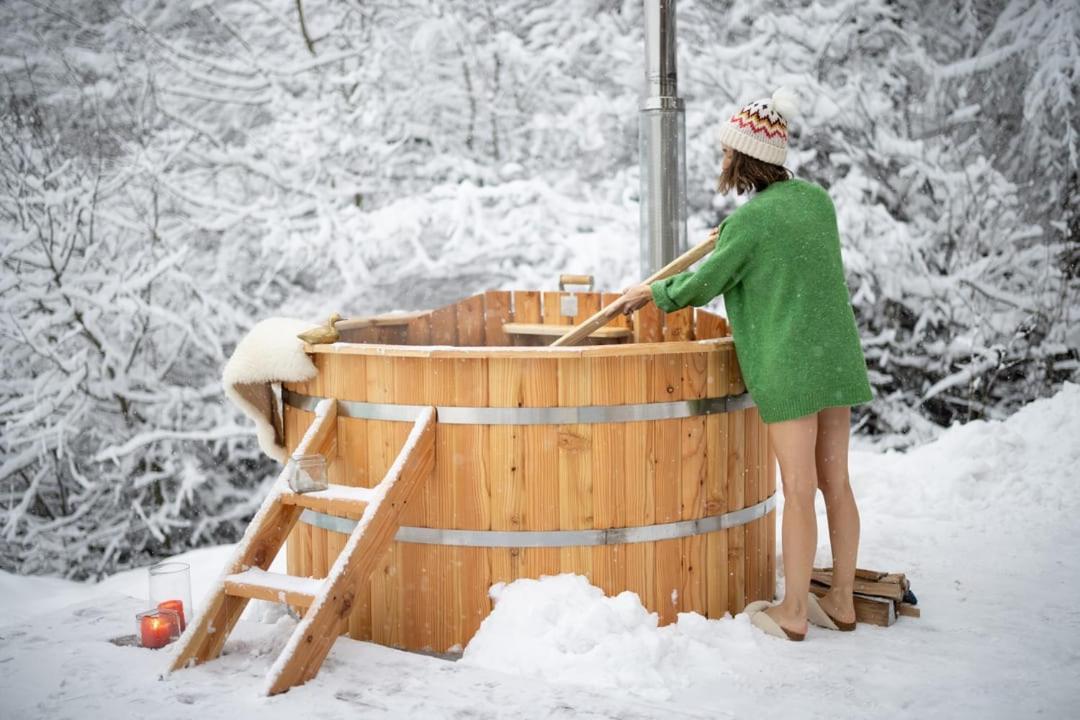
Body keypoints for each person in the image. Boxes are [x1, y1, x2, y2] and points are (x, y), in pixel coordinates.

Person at [615, 88, 874, 641]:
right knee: (837, 483)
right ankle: (844, 601)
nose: (721, 161)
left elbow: (702, 283)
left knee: (799, 488)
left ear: (741, 157)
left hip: (792, 368)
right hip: (835, 360)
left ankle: (796, 613)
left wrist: (651, 294)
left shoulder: (750, 224)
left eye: (726, 152)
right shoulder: (815, 201)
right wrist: (729, 237)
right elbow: (780, 252)